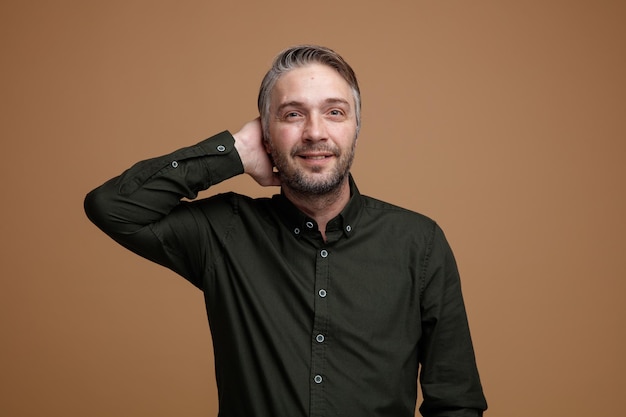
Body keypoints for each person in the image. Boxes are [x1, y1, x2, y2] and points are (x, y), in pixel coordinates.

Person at [84, 45, 487, 417]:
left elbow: (455, 402)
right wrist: (236, 151)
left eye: (335, 112)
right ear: (266, 133)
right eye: (293, 114)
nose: (315, 132)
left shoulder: (420, 244)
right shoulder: (225, 232)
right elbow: (113, 207)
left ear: (356, 127)